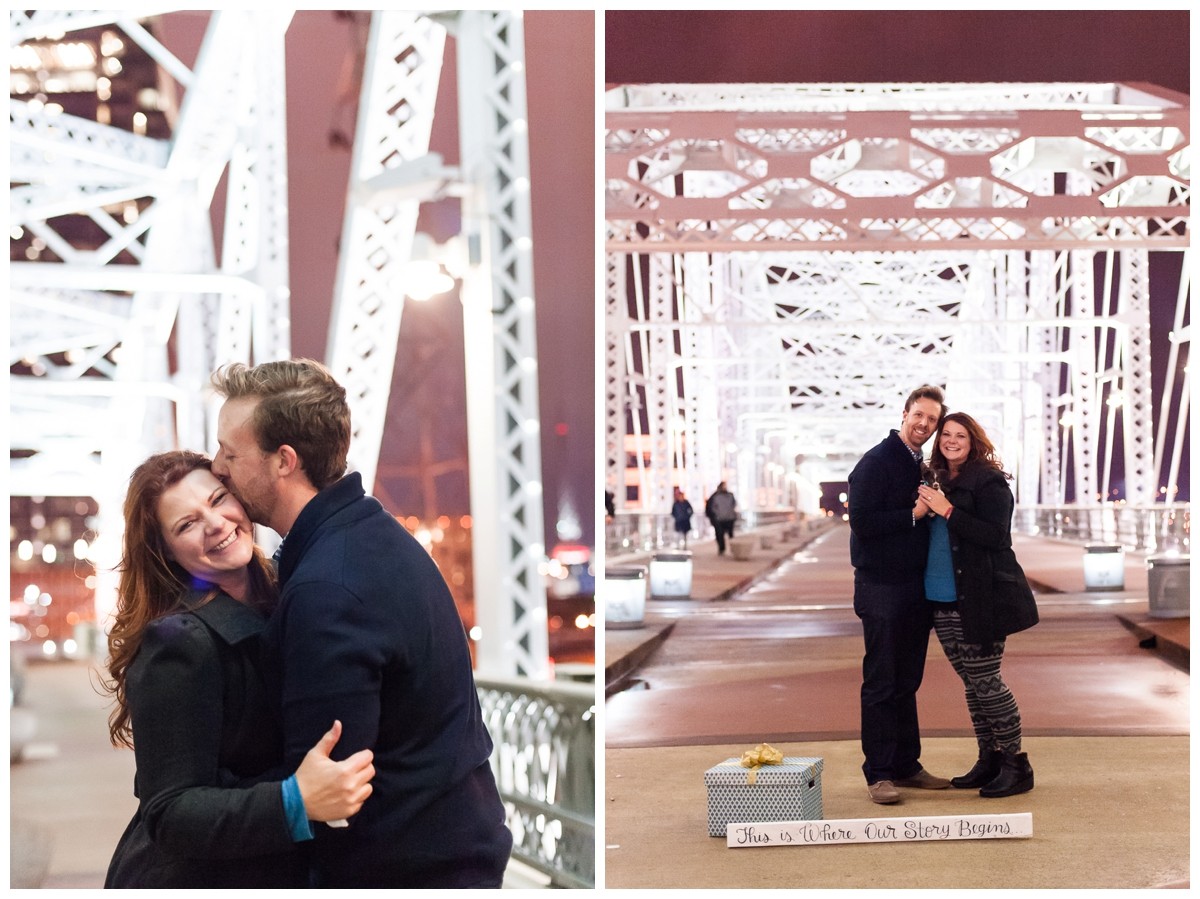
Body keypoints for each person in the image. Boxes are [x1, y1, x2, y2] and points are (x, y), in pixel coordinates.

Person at [209, 358, 512, 888]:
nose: (217, 466)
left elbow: (329, 789)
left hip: (403, 872)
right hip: (448, 853)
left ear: (284, 461)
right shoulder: (371, 535)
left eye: (231, 453)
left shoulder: (328, 589)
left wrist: (197, 807)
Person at [103, 451, 375, 888]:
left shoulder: (291, 594)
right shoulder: (178, 643)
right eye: (186, 524)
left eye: (218, 498)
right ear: (165, 554)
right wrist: (295, 802)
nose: (215, 523)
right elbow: (169, 811)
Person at [917, 412, 1039, 798]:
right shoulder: (932, 479)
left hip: (979, 597)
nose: (951, 441)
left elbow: (996, 537)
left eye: (960, 435)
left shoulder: (989, 482)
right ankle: (989, 759)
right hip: (940, 597)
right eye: (946, 435)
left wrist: (947, 509)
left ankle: (1016, 763)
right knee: (971, 683)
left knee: (987, 681)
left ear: (974, 442)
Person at [847, 384, 950, 805]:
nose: (924, 425)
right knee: (882, 681)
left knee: (907, 680)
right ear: (904, 414)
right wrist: (915, 513)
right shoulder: (876, 461)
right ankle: (879, 773)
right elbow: (862, 523)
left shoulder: (918, 463)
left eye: (932, 420)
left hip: (913, 587)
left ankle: (907, 764)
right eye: (919, 416)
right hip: (882, 586)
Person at [705, 481, 737, 555]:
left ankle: (733, 548)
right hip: (719, 519)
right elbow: (710, 509)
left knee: (730, 535)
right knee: (720, 535)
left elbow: (733, 504)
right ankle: (722, 549)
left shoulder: (729, 495)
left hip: (729, 518)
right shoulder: (714, 497)